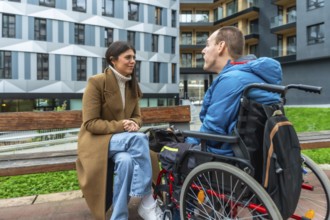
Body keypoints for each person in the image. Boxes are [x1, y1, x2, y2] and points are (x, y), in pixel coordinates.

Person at [76, 41, 164, 220]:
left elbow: (137, 117)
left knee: (126, 162)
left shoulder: (132, 85)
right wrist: (122, 125)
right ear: (113, 60)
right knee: (139, 139)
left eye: (134, 58)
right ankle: (146, 199)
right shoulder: (97, 82)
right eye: (128, 57)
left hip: (123, 144)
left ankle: (119, 216)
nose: (133, 61)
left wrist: (133, 123)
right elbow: (90, 123)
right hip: (98, 142)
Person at [185, 26, 283, 155]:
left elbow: (212, 131)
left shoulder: (232, 80)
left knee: (170, 152)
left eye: (207, 45)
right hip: (258, 154)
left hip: (228, 156)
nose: (203, 50)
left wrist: (186, 142)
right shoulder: (256, 77)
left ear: (221, 46)